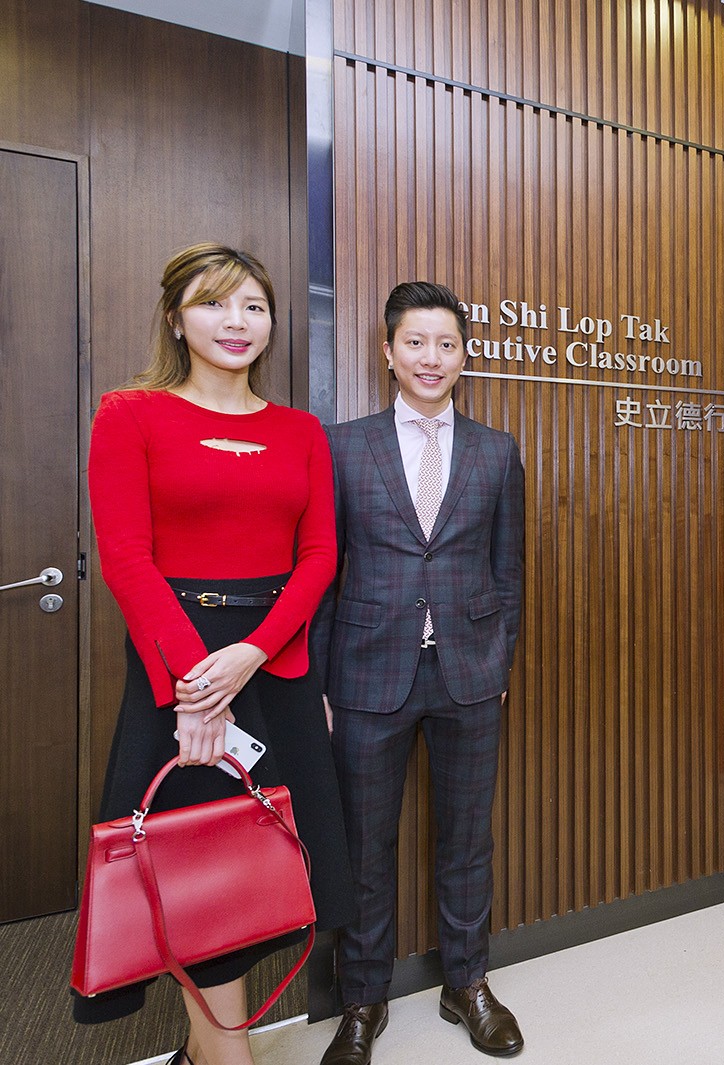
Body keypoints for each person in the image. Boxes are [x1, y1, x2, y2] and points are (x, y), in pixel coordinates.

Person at [82, 242, 355, 1065]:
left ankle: (212, 1052)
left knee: (262, 864)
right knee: (191, 861)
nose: (237, 323)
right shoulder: (128, 414)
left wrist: (254, 654)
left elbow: (319, 559)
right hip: (180, 667)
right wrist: (198, 690)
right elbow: (127, 561)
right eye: (214, 303)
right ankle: (224, 1055)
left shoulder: (300, 430)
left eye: (254, 307)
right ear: (176, 316)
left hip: (274, 666)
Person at [315, 282, 526, 1062]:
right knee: (365, 845)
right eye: (415, 343)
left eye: (445, 344)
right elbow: (325, 572)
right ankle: (363, 999)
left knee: (467, 839)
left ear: (464, 355)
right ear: (388, 352)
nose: (430, 358)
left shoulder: (497, 449)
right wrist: (323, 686)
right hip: (366, 676)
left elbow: (510, 571)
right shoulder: (342, 446)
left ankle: (465, 981)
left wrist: (500, 659)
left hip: (469, 673)